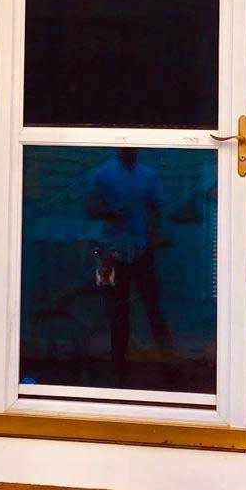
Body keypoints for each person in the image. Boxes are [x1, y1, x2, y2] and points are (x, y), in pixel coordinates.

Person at [86, 148, 175, 384]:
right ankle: (118, 370)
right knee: (118, 311)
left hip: (141, 249)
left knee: (153, 307)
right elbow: (90, 208)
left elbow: (156, 210)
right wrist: (112, 212)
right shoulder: (103, 174)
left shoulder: (148, 175)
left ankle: (170, 366)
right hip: (113, 250)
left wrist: (156, 237)